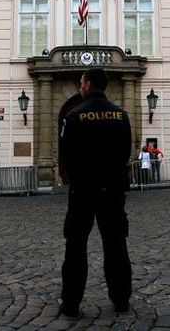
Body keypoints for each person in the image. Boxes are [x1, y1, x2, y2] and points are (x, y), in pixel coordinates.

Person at [58, 68, 132, 318]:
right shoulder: (121, 116)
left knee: (76, 248)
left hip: (83, 193)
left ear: (88, 85)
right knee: (116, 247)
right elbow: (125, 154)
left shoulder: (74, 116)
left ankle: (71, 304)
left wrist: (73, 179)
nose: (80, 87)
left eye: (81, 83)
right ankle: (121, 300)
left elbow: (65, 158)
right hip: (112, 192)